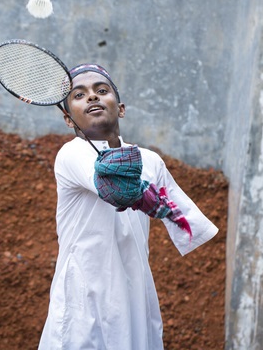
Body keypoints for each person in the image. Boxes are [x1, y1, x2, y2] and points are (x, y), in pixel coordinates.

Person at [38, 64, 219, 350]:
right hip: (84, 301)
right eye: (79, 95)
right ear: (68, 119)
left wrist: (165, 208)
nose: (92, 98)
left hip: (135, 298)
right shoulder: (71, 154)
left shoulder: (150, 161)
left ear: (120, 108)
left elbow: (186, 222)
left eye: (101, 90)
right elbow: (113, 187)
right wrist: (149, 199)